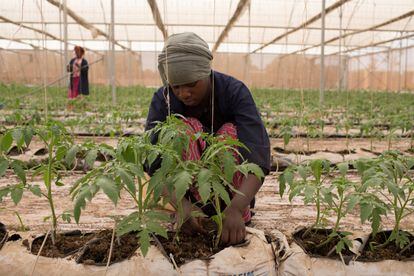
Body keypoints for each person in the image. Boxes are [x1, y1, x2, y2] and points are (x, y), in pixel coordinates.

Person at [145, 32, 270, 245]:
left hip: (234, 196)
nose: (183, 93)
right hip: (185, 196)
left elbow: (258, 157)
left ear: (206, 73)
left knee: (230, 133)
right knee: (181, 130)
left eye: (191, 84)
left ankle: (229, 214)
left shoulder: (234, 92)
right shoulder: (164, 99)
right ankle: (194, 210)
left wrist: (236, 208)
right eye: (176, 86)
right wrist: (182, 206)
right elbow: (153, 162)